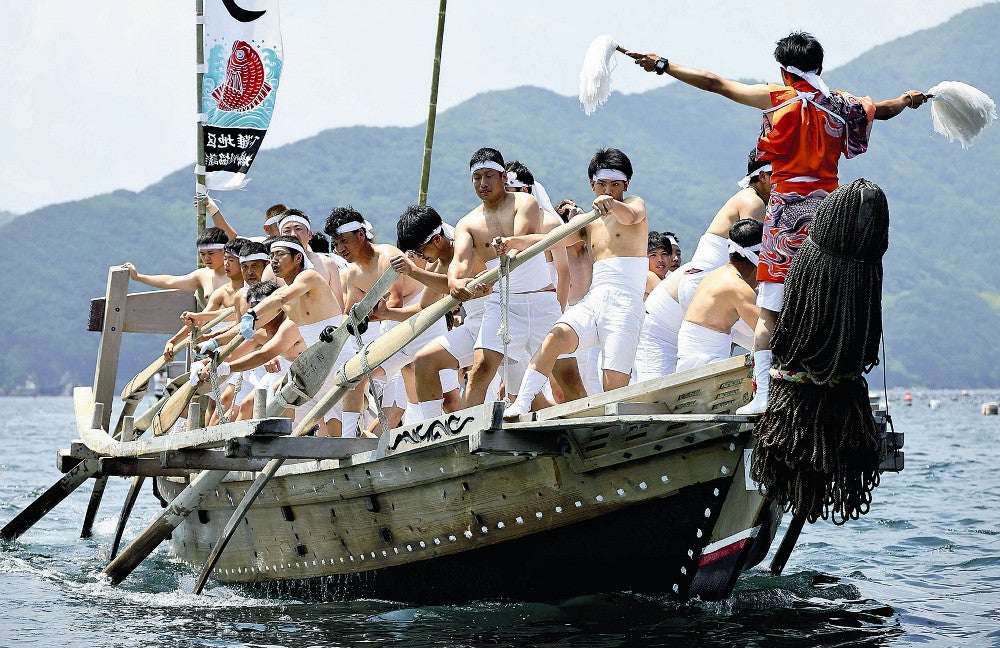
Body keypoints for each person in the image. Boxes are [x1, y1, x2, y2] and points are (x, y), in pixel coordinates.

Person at [627, 32, 927, 412]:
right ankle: (828, 380)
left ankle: (766, 396)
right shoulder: (841, 105)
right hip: (826, 221)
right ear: (819, 66)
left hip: (785, 219)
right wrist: (908, 100)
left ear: (785, 71)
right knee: (824, 302)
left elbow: (715, 83)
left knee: (769, 311)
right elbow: (882, 109)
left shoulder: (778, 98)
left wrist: (663, 65)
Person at [502, 148, 648, 418]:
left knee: (613, 385)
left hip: (625, 303)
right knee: (554, 337)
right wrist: (514, 242)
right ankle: (522, 402)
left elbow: (631, 216)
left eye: (616, 185)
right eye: (602, 184)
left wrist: (612, 204)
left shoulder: (634, 204)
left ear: (626, 184)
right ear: (592, 184)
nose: (608, 189)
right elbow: (551, 240)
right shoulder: (587, 222)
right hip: (595, 299)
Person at [635, 152, 769, 381]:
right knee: (770, 340)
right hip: (708, 286)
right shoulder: (753, 202)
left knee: (762, 341)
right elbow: (756, 254)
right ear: (765, 176)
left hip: (697, 287)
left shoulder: (748, 198)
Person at [448, 147, 564, 408]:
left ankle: (589, 425)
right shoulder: (467, 223)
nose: (483, 183)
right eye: (477, 178)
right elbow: (461, 263)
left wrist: (508, 249)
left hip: (540, 300)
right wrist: (455, 282)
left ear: (503, 177)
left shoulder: (525, 203)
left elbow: (516, 242)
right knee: (480, 369)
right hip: (502, 305)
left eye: (489, 176)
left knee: (565, 376)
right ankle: (470, 434)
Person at [325, 206, 448, 436]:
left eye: (343, 241)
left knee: (448, 398)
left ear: (360, 235)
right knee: (355, 374)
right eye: (335, 244)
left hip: (424, 322)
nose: (340, 249)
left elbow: (395, 303)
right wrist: (335, 330)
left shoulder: (388, 256)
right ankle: (350, 439)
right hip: (393, 329)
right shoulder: (353, 273)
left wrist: (367, 318)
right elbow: (351, 312)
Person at [239, 235, 344, 435]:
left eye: (280, 254)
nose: (274, 260)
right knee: (307, 420)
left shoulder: (309, 276)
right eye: (271, 256)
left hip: (338, 357)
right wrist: (219, 354)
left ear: (298, 258)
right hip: (315, 365)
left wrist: (252, 313)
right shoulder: (286, 294)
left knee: (339, 426)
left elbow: (280, 297)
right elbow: (254, 330)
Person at [391, 204, 488, 420]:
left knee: (532, 400)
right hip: (475, 327)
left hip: (498, 325)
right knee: (424, 360)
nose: (419, 257)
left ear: (436, 240)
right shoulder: (436, 265)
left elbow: (456, 286)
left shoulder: (466, 247)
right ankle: (431, 427)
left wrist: (413, 271)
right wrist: (385, 313)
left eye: (419, 251)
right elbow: (424, 307)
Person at [195, 280, 305, 421]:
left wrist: (224, 368)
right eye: (253, 309)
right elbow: (232, 355)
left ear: (278, 308)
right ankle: (237, 444)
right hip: (279, 371)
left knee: (280, 397)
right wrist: (203, 366)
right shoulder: (259, 331)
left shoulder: (291, 324)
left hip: (306, 372)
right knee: (247, 405)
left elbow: (263, 355)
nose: (257, 314)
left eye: (261, 308)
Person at [675, 219, 762, 371]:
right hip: (704, 365)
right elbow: (767, 331)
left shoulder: (716, 275)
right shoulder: (737, 288)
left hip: (693, 360)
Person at [122, 226, 231, 297]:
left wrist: (213, 210)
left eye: (211, 253)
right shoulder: (202, 275)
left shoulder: (240, 272)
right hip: (213, 329)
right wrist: (138, 277)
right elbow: (170, 281)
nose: (206, 258)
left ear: (224, 251)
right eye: (202, 254)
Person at [277, 209, 346, 312]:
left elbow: (338, 305)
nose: (293, 234)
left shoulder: (327, 264)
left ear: (309, 234)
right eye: (287, 231)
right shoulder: (272, 269)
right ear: (280, 237)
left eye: (298, 229)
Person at [645, 231, 669, 299]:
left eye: (664, 254)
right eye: (653, 255)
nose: (660, 259)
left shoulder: (668, 278)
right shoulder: (647, 276)